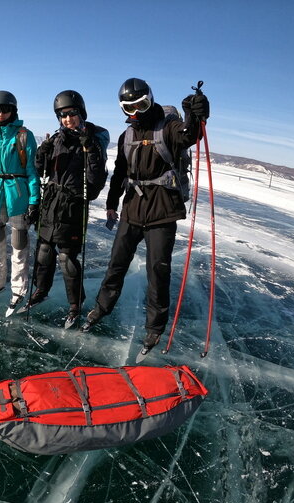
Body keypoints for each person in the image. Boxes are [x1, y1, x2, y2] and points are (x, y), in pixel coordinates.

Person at [82, 78, 210, 352]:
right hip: (132, 208)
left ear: (150, 99)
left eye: (141, 104)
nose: (136, 112)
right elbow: (119, 172)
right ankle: (101, 308)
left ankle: (154, 329)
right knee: (116, 264)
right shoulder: (126, 136)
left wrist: (196, 114)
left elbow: (190, 135)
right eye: (129, 108)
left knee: (157, 271)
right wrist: (111, 203)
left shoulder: (168, 127)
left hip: (162, 210)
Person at [24, 90, 109, 326]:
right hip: (51, 203)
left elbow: (94, 184)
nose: (68, 119)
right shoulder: (57, 139)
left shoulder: (92, 140)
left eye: (72, 114)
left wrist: (90, 149)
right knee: (43, 251)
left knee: (66, 257)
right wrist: (41, 155)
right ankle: (41, 290)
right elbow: (42, 171)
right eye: (63, 115)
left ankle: (75, 303)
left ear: (81, 113)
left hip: (72, 205)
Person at [0, 91, 39, 313]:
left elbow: (32, 170)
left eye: (4, 109)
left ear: (13, 111)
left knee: (19, 245)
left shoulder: (23, 136)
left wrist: (34, 200)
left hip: (18, 195)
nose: (0, 114)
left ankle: (19, 289)